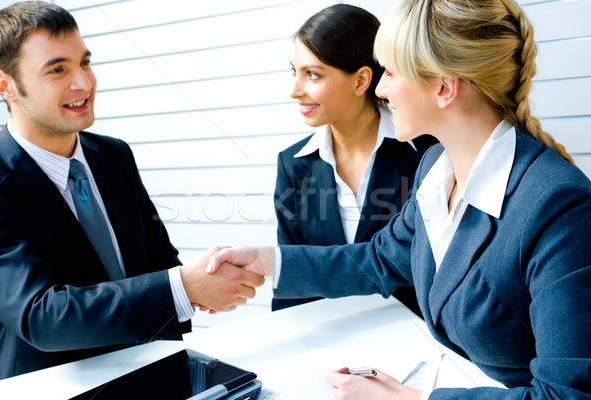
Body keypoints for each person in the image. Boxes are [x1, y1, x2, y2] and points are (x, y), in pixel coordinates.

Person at [205, 0, 591, 398]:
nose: (381, 88)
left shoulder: (560, 207)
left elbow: (567, 394)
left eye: (389, 71)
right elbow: (377, 259)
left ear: (443, 87)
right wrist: (266, 260)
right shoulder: (435, 169)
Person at [0, 1, 264, 381]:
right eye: (57, 70)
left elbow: (158, 262)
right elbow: (42, 317)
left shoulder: (113, 155)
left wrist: (206, 284)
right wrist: (184, 288)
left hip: (156, 371)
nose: (83, 83)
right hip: (53, 385)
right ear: (5, 86)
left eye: (84, 62)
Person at [274, 4, 435, 313]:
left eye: (312, 74)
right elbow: (291, 283)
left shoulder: (427, 152)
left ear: (361, 80)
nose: (295, 90)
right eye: (295, 72)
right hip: (328, 346)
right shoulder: (292, 164)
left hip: (413, 342)